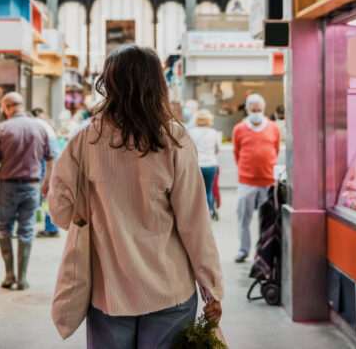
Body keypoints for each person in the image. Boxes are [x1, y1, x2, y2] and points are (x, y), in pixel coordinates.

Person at [45, 45, 223, 348]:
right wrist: (211, 288)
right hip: (171, 290)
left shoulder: (84, 140)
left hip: (108, 292)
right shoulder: (174, 139)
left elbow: (60, 214)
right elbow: (196, 224)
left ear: (109, 84)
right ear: (158, 85)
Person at [0, 92, 54, 290]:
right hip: (32, 186)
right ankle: (22, 279)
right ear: (22, 106)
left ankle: (9, 276)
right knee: (27, 230)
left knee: (3, 228)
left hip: (7, 186)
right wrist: (46, 182)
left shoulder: (2, 129)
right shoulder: (39, 127)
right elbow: (50, 157)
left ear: (6, 107)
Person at [232, 93, 280, 263]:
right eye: (254, 110)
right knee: (243, 218)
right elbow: (236, 152)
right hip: (247, 181)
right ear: (247, 110)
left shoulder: (273, 127)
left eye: (259, 110)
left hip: (268, 181)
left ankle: (263, 251)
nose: (257, 113)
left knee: (267, 220)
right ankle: (243, 249)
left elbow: (276, 149)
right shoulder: (239, 128)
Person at [32, 107, 61, 238]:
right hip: (51, 162)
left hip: (47, 163)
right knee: (46, 196)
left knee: (45, 196)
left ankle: (51, 228)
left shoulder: (34, 125)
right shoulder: (41, 124)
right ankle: (51, 227)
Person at [188, 110, 222, 212]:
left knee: (195, 192)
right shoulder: (214, 133)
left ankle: (196, 214)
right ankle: (209, 214)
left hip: (197, 165)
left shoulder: (191, 132)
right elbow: (217, 149)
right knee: (208, 190)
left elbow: (188, 149)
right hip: (211, 165)